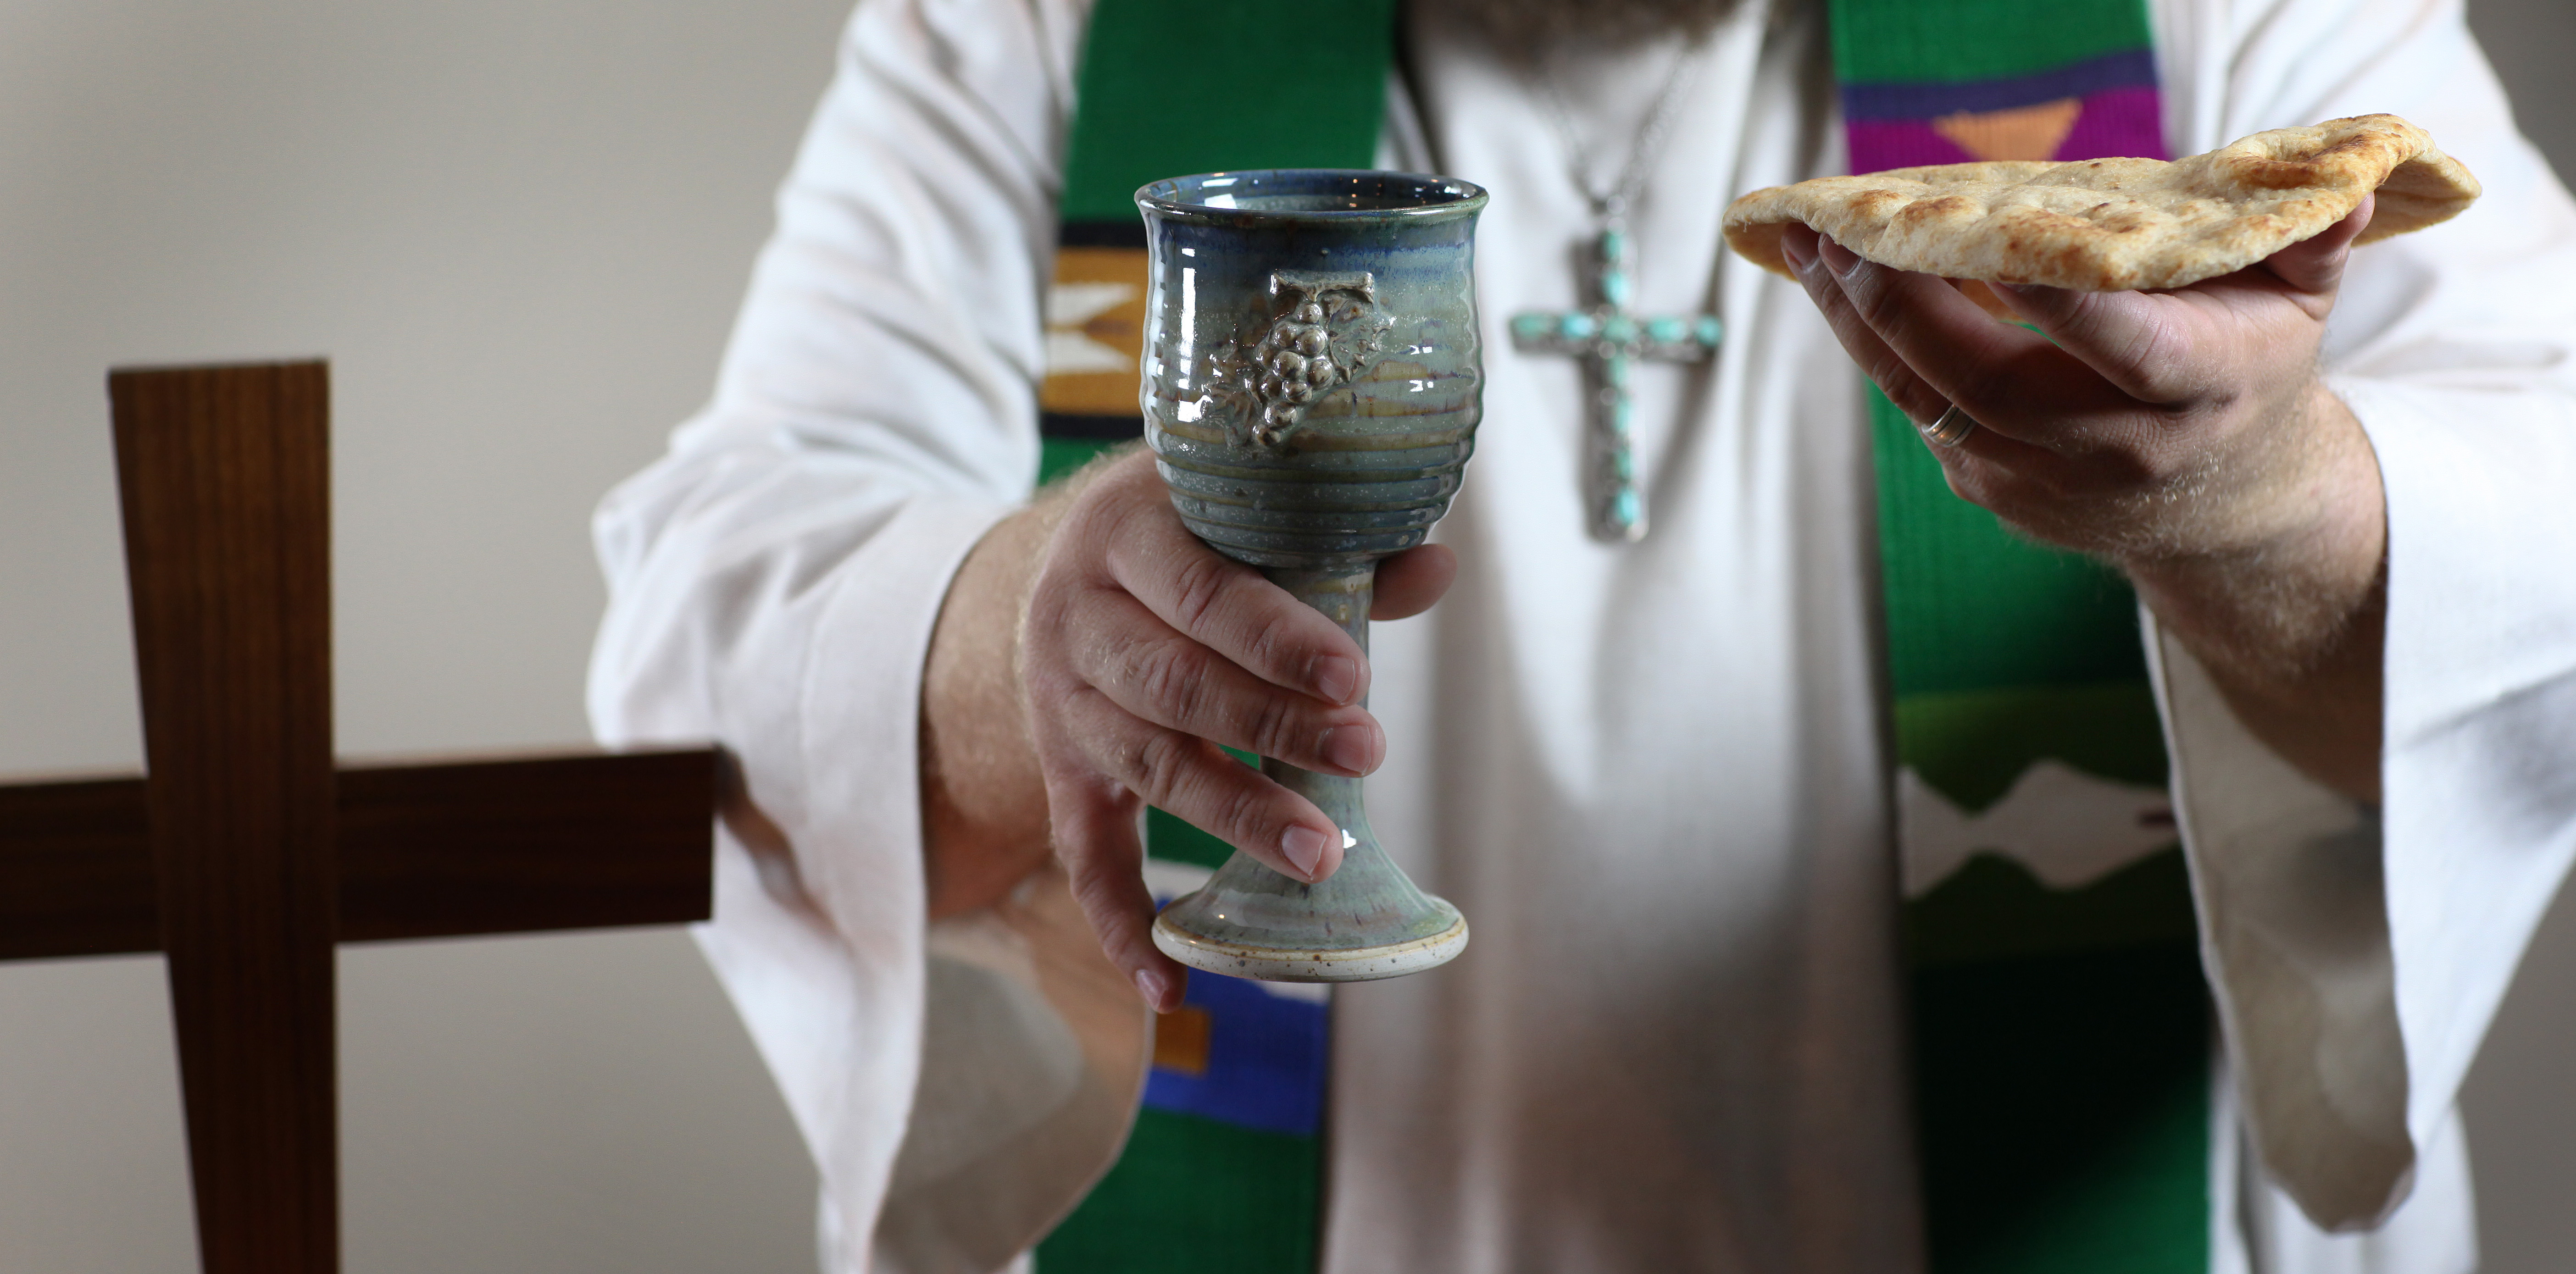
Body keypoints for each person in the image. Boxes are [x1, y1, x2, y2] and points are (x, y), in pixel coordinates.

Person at [586, 0, 2576, 1269]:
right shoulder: (1035, 29)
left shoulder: (2227, 15)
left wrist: (2263, 503)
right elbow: (724, 611)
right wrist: (1035, 621)